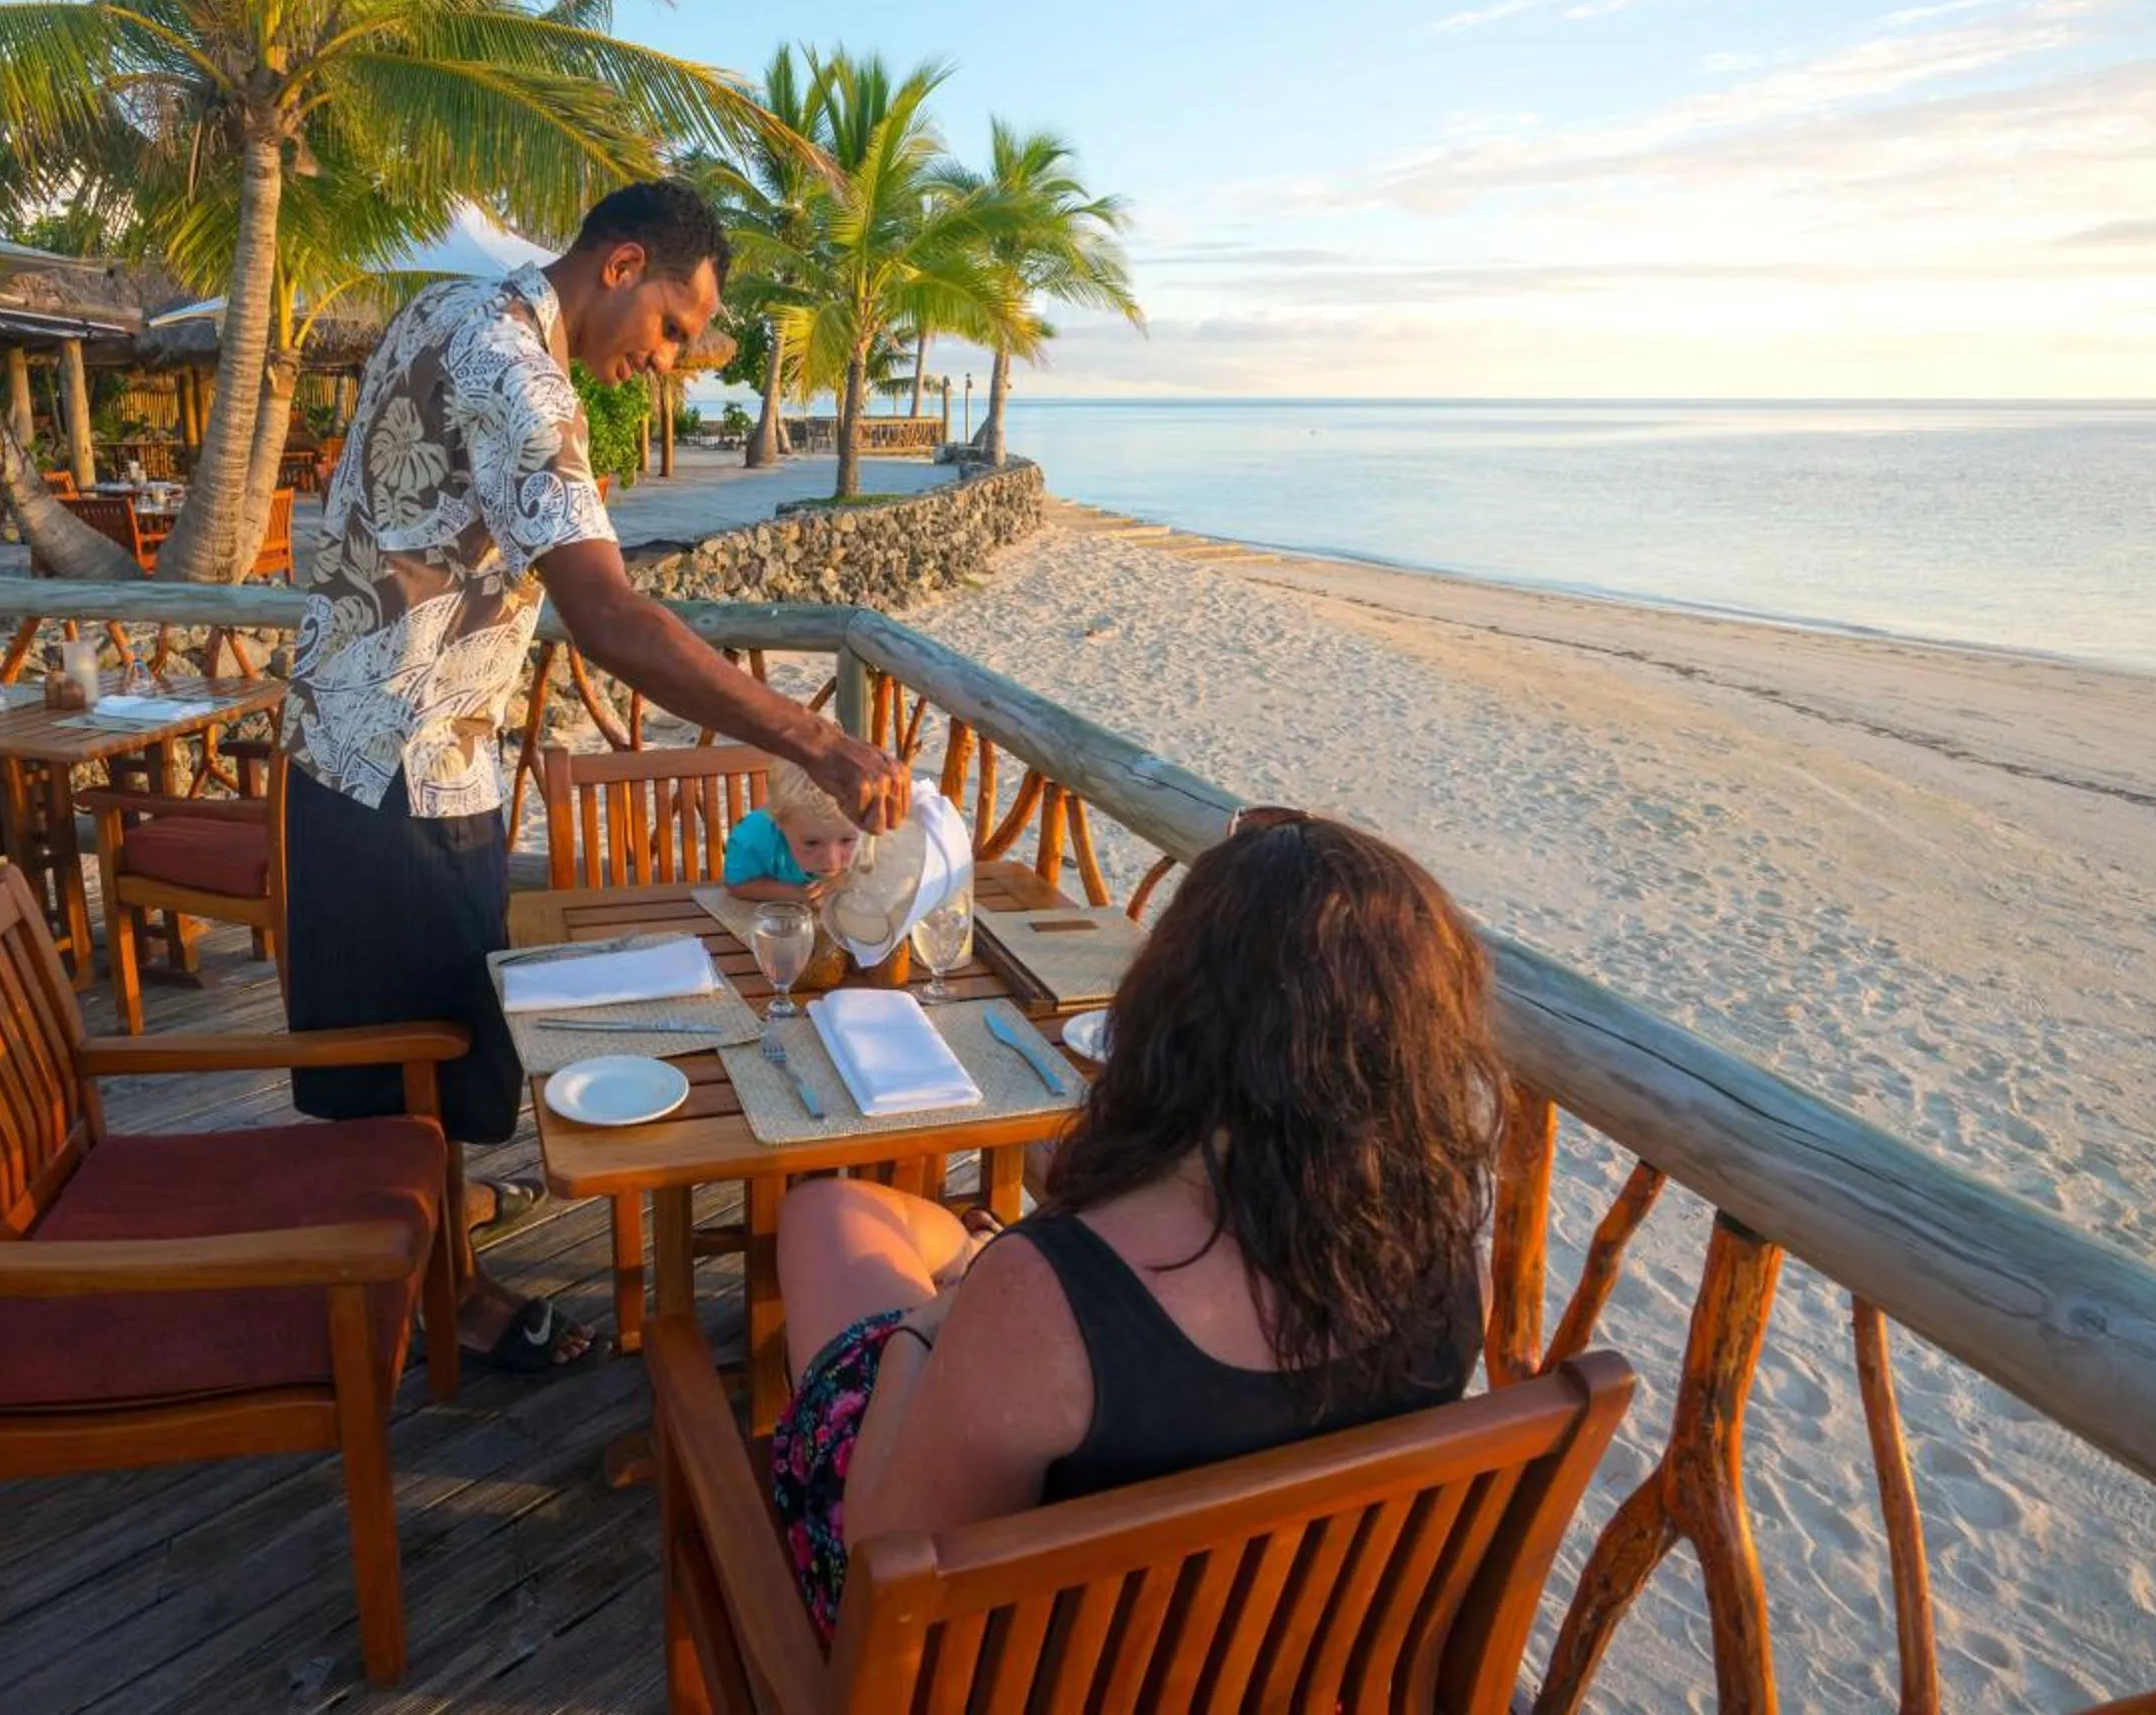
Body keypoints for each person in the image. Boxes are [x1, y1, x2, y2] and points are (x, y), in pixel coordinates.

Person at [284, 179, 910, 1377]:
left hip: (354, 744)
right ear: (622, 264)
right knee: (413, 1055)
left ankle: (418, 1249)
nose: (667, 363)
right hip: (402, 766)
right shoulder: (518, 371)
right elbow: (611, 618)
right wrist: (817, 741)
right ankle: (427, 1303)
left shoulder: (448, 313)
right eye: (673, 328)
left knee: (409, 1050)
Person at [766, 810, 1500, 1640]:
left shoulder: (1053, 1300)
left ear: (1178, 1008)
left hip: (1012, 1671)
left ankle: (960, 1256)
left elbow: (882, 1562)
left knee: (828, 1216)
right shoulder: (1451, 1265)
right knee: (873, 1228)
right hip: (1266, 1657)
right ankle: (966, 1244)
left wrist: (927, 1329)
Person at [722, 759, 864, 903]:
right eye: (811, 843)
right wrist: (801, 894)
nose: (831, 861)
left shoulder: (871, 834)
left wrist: (847, 879)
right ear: (778, 823)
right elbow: (737, 884)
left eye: (847, 840)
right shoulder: (751, 839)